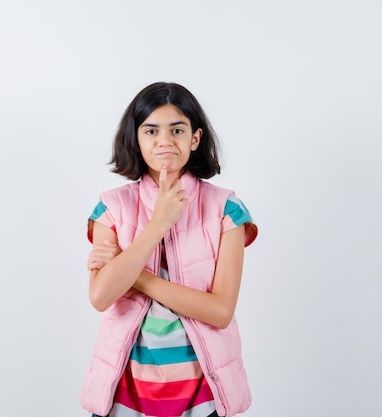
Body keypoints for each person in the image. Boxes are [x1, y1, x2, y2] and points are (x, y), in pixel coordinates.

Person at [79, 82, 258, 417]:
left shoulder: (226, 209)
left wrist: (131, 274)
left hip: (203, 395)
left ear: (195, 139)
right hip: (124, 395)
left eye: (177, 129)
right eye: (151, 130)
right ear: (136, 139)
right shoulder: (110, 208)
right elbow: (101, 296)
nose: (164, 141)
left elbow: (220, 311)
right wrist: (158, 223)